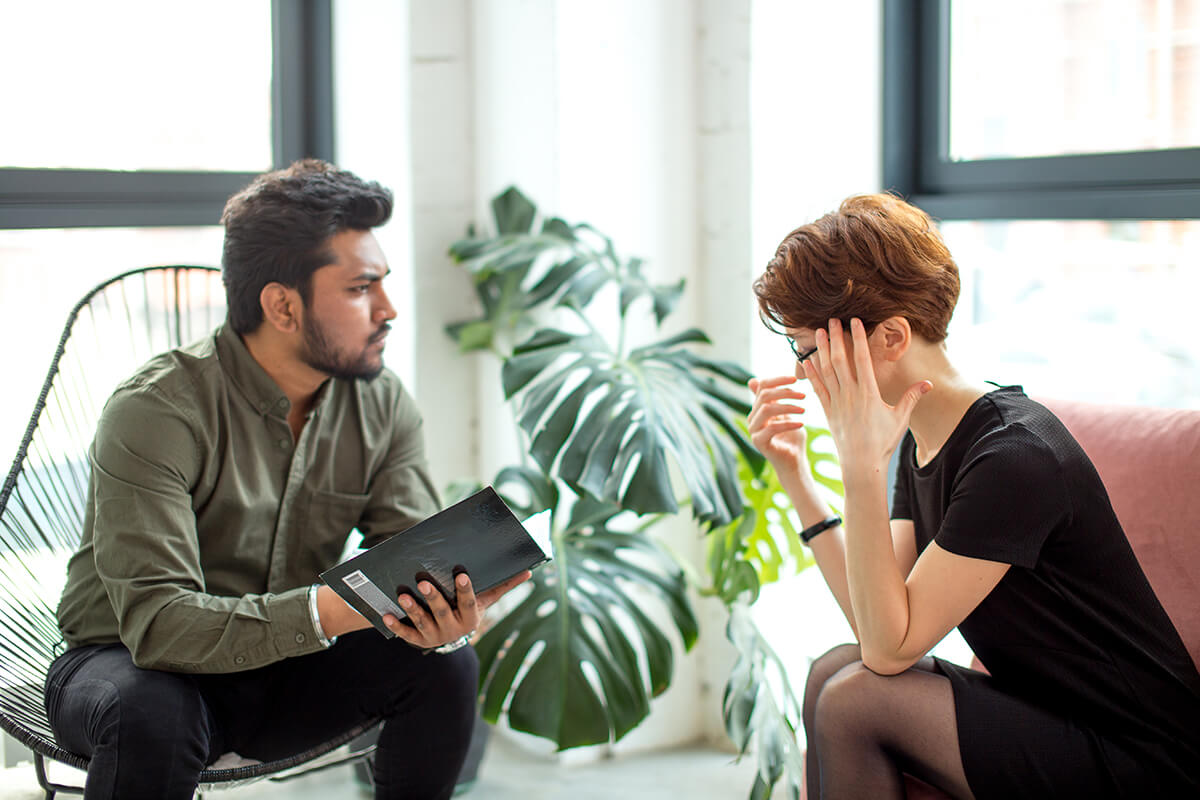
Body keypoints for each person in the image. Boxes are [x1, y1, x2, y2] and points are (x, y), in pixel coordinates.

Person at [44, 159, 529, 800]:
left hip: (284, 670)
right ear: (282, 305)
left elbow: (414, 553)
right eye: (360, 289)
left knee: (444, 668)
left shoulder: (380, 404)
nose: (387, 309)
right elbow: (159, 624)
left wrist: (446, 612)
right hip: (129, 664)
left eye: (383, 284)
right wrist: (335, 608)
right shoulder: (158, 409)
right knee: (151, 714)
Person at [747, 193, 1200, 799]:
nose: (804, 372)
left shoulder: (1013, 457)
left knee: (857, 695)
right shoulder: (927, 438)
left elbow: (887, 654)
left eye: (808, 350)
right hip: (1047, 713)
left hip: (1141, 754)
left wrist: (859, 464)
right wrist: (797, 478)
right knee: (834, 667)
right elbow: (875, 621)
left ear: (889, 338)